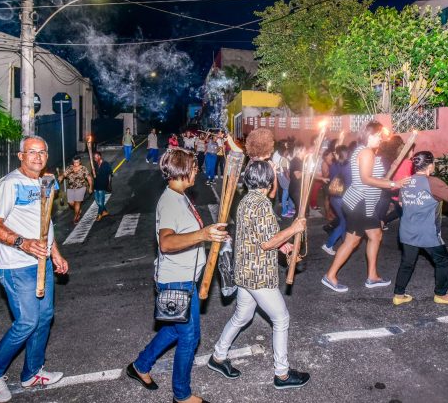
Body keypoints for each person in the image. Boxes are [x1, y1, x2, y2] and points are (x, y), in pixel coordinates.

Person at [127, 148, 228, 403]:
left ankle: (140, 365)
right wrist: (203, 235)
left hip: (183, 278)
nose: (197, 170)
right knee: (190, 337)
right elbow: (167, 243)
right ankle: (181, 395)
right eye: (194, 167)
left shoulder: (179, 194)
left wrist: (211, 234)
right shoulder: (171, 200)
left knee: (174, 329)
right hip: (177, 282)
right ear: (183, 169)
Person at [208, 160, 310, 389]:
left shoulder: (247, 199)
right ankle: (282, 375)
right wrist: (294, 229)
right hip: (258, 274)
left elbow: (257, 236)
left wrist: (284, 246)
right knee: (281, 319)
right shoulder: (262, 204)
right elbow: (265, 243)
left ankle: (218, 356)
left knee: (242, 317)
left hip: (244, 271)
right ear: (269, 180)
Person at [0, 136, 70, 401]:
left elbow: (45, 221)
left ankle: (32, 372)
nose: (38, 157)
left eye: (42, 152)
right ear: (21, 156)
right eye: (32, 152)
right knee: (27, 322)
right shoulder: (9, 185)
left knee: (44, 318)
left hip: (41, 262)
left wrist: (55, 253)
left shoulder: (47, 181)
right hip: (16, 265)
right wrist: (23, 243)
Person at [322, 122, 408, 292]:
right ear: (369, 135)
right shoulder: (366, 152)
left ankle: (372, 276)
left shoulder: (363, 151)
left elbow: (370, 179)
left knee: (375, 235)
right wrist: (393, 183)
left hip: (363, 204)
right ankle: (330, 276)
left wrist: (385, 180)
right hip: (359, 204)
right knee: (352, 242)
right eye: (377, 135)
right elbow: (366, 179)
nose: (380, 139)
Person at [392, 151, 448, 306]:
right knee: (443, 260)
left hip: (407, 230)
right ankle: (441, 294)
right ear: (430, 165)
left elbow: (402, 204)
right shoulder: (432, 182)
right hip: (427, 232)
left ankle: (398, 294)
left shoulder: (406, 181)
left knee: (407, 262)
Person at [322, 145, 351, 256]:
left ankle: (342, 244)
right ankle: (333, 245)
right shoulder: (348, 166)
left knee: (344, 221)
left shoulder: (334, 165)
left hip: (334, 197)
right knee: (345, 221)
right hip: (342, 198)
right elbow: (349, 184)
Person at [58, 155, 93, 223]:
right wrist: (61, 176)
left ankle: (76, 217)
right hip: (71, 188)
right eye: (74, 162)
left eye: (77, 162)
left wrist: (90, 187)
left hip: (81, 188)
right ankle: (78, 210)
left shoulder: (83, 169)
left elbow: (89, 178)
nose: (75, 164)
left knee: (77, 203)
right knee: (71, 203)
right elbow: (64, 174)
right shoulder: (70, 167)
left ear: (80, 162)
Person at [93, 151, 113, 221]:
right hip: (96, 185)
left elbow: (110, 174)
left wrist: (109, 184)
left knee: (101, 201)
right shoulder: (94, 165)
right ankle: (105, 211)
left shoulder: (106, 164)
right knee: (97, 200)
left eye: (96, 157)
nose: (94, 159)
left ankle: (99, 214)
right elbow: (94, 175)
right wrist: (93, 173)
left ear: (99, 157)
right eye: (94, 157)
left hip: (103, 185)